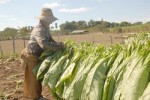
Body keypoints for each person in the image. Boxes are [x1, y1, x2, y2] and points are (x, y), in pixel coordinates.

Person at [20, 8, 65, 100]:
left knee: (37, 77)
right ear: (44, 20)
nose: (51, 22)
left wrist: (59, 44)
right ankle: (33, 97)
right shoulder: (38, 29)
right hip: (31, 55)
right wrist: (60, 47)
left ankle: (38, 96)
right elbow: (44, 44)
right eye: (49, 20)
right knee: (32, 79)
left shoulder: (45, 28)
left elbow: (50, 40)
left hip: (38, 55)